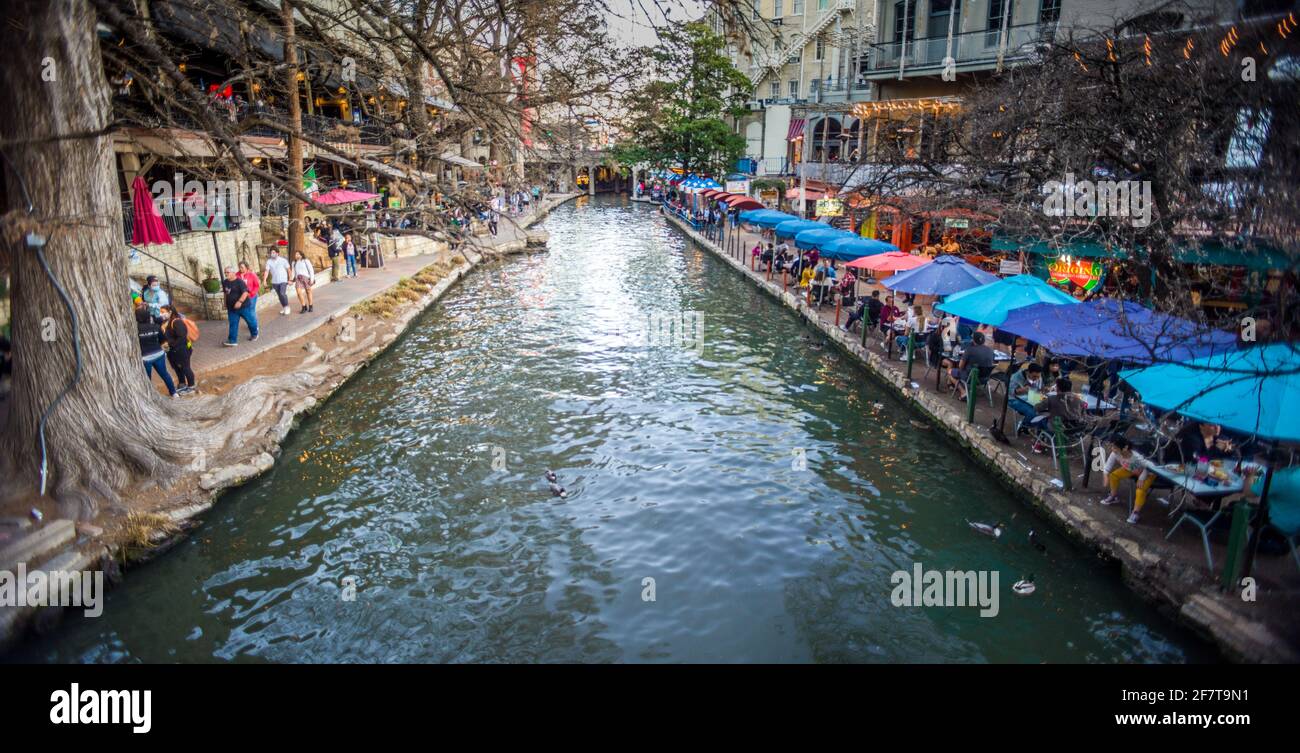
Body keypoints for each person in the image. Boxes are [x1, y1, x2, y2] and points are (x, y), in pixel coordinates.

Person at [1099, 436, 1156, 524]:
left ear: (1125, 448)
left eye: (1115, 447)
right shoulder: (1115, 454)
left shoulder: (1136, 457)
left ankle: (1135, 513)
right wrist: (1106, 477)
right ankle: (1113, 496)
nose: (1112, 449)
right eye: (1112, 447)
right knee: (1113, 476)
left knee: (1140, 491)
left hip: (1148, 473)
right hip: (1131, 469)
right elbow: (1107, 467)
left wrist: (1142, 477)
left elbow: (1151, 466)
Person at [136, 307, 177, 397]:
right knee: (165, 374)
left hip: (145, 358)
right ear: (148, 317)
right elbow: (163, 340)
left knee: (147, 379)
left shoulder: (135, 330)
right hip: (159, 354)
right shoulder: (156, 326)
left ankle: (149, 396)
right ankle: (174, 393)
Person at [159, 304, 196, 394]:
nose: (161, 314)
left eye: (163, 312)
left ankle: (191, 386)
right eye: (160, 312)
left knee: (185, 368)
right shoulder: (164, 322)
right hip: (172, 351)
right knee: (177, 368)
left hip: (181, 350)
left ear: (170, 312)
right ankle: (182, 384)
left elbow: (182, 337)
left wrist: (170, 344)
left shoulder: (176, 322)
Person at [950, 331, 997, 399]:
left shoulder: (970, 350)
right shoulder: (990, 350)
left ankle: (963, 392)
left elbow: (960, 366)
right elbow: (991, 362)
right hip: (985, 379)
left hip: (970, 378)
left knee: (950, 371)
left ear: (973, 340)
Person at [222, 266, 258, 346]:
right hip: (231, 308)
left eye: (228, 272)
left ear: (233, 273)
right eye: (225, 272)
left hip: (244, 307)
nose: (226, 274)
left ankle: (254, 334)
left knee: (250, 321)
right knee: (233, 323)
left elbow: (245, 292)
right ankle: (232, 340)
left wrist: (240, 301)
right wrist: (225, 304)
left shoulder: (239, 282)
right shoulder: (225, 282)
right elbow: (225, 293)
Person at [1007, 362, 1044, 428]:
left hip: (1030, 398)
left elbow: (1038, 389)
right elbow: (1009, 392)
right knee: (1032, 412)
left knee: (1043, 410)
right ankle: (1025, 426)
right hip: (1013, 399)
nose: (1036, 379)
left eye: (1038, 377)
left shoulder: (1038, 377)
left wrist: (1042, 390)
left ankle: (1033, 426)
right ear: (1028, 372)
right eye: (1034, 376)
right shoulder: (1016, 377)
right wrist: (1020, 390)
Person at [263, 246, 292, 316]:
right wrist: (264, 280)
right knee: (279, 296)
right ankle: (284, 307)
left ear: (277, 253)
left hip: (283, 280)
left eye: (274, 252)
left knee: (282, 293)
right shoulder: (269, 261)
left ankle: (287, 307)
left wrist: (290, 279)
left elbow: (289, 270)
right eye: (271, 252)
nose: (272, 254)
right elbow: (267, 271)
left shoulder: (283, 260)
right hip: (274, 282)